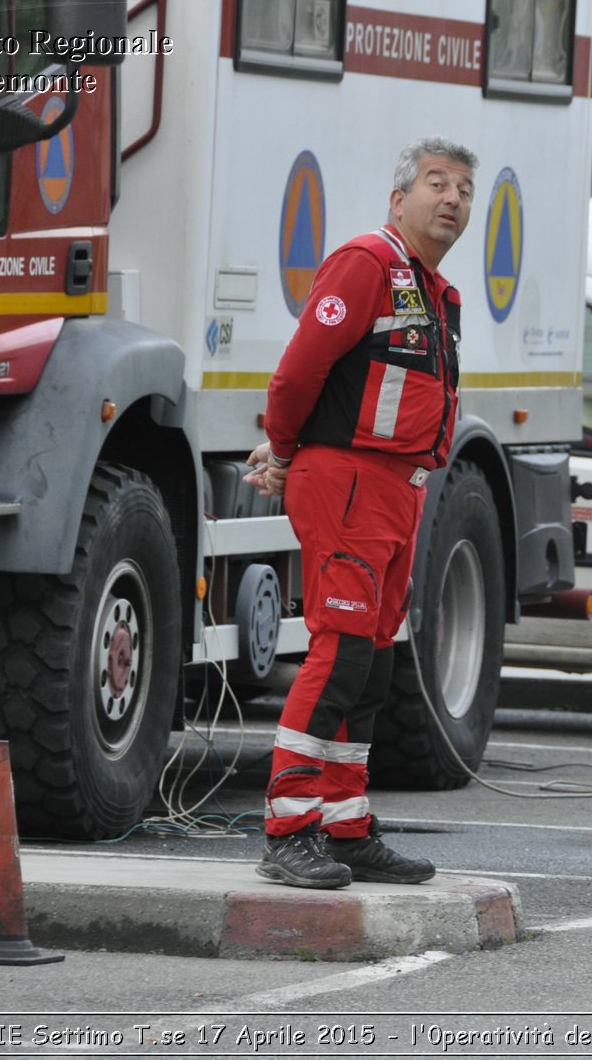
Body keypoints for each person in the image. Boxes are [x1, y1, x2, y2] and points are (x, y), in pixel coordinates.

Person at [243, 138, 476, 889]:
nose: (452, 199)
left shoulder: (438, 293)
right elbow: (299, 370)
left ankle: (345, 824)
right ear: (397, 197)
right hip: (346, 480)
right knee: (340, 651)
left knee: (372, 663)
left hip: (399, 489)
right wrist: (280, 450)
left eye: (464, 190)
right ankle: (288, 827)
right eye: (436, 184)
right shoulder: (366, 263)